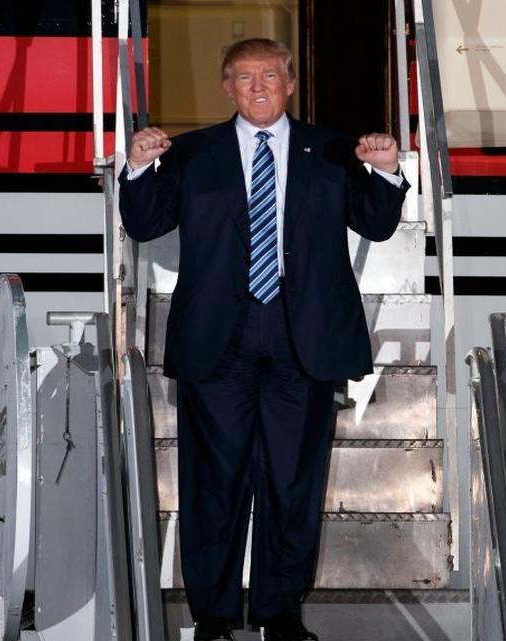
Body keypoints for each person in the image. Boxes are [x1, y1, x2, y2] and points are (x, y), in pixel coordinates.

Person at [119, 38, 408, 641]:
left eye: (270, 76)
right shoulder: (194, 152)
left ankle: (280, 613)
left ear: (290, 84)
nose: (258, 87)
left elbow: (376, 225)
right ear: (227, 87)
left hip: (303, 338)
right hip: (218, 339)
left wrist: (385, 171)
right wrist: (140, 167)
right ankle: (214, 617)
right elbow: (145, 223)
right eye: (245, 78)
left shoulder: (331, 149)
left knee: (293, 481)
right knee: (213, 482)